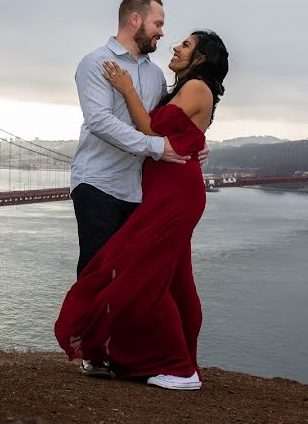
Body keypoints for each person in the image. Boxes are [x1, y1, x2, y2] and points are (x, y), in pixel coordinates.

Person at [56, 29, 229, 390]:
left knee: (144, 276)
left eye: (185, 45)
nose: (175, 46)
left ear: (200, 59)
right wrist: (197, 141)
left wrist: (126, 88)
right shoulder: (181, 86)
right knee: (175, 280)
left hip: (175, 193)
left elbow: (150, 128)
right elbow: (178, 132)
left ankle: (179, 368)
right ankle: (182, 362)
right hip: (160, 189)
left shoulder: (195, 88)